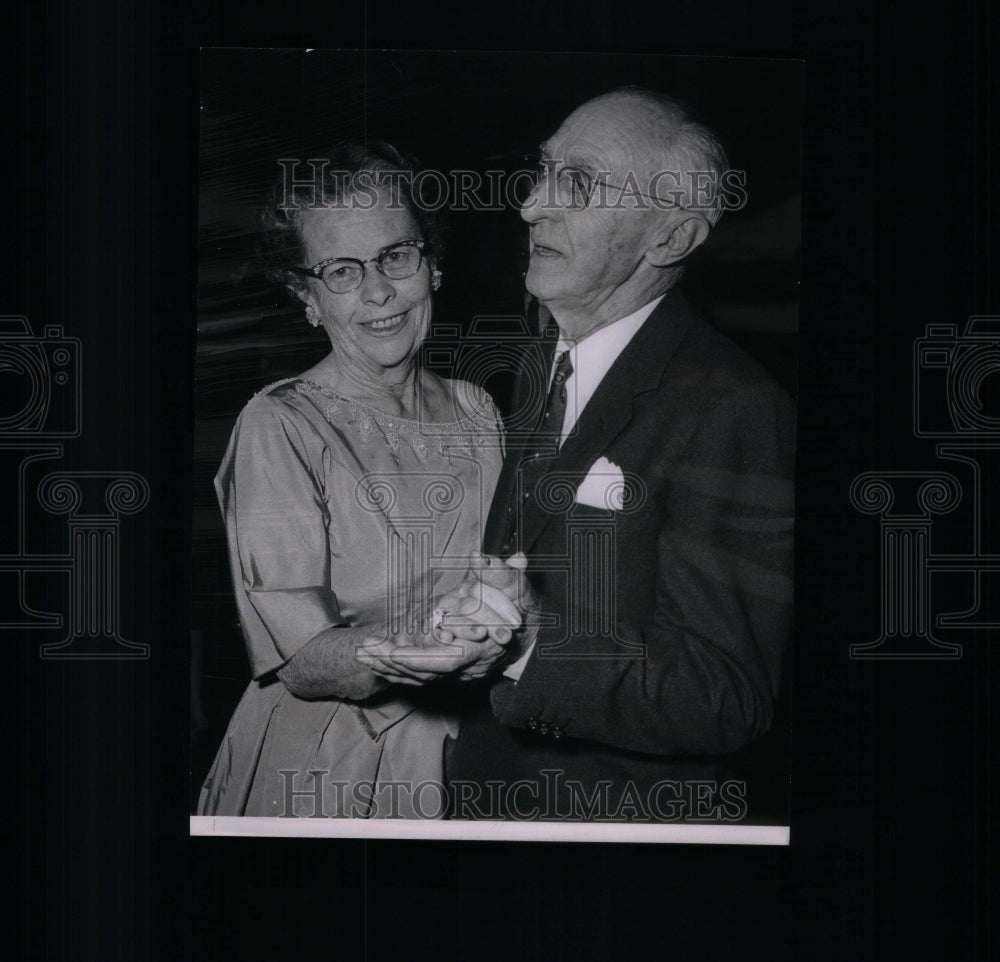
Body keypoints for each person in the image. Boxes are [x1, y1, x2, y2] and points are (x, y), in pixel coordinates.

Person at [442, 88, 797, 821]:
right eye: (541, 172)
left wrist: (532, 649)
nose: (531, 205)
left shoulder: (731, 405)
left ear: (669, 240)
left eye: (578, 182)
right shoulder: (542, 363)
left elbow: (725, 697)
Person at [197, 142, 521, 819]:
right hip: (329, 766)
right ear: (306, 297)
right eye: (341, 271)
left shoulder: (478, 410)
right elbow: (302, 661)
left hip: (474, 751)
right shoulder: (279, 425)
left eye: (395, 257)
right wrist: (409, 655)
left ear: (431, 266)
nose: (376, 291)